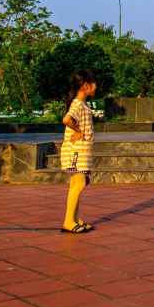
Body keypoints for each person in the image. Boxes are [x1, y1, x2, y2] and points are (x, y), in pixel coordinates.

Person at [60, 70, 96, 234]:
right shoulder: (77, 104)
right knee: (80, 183)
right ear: (85, 85)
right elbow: (67, 119)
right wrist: (77, 131)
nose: (95, 86)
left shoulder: (82, 104)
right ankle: (68, 221)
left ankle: (75, 219)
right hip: (76, 152)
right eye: (93, 83)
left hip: (81, 152)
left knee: (77, 184)